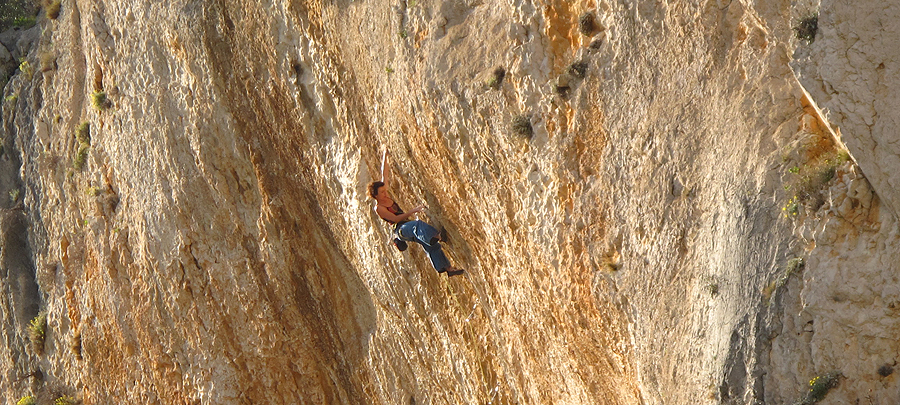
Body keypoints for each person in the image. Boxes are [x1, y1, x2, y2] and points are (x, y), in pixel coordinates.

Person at [368, 149, 464, 276]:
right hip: (401, 230)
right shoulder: (379, 208)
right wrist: (413, 211)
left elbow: (384, 174)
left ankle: (448, 269)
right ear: (375, 195)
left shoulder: (383, 193)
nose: (385, 193)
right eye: (382, 193)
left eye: (385, 191)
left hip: (407, 227)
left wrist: (385, 156)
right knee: (418, 225)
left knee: (431, 246)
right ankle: (438, 236)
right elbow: (396, 220)